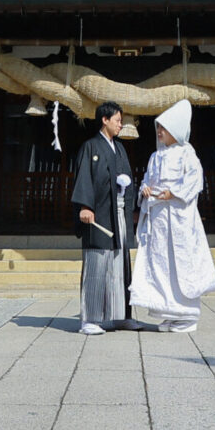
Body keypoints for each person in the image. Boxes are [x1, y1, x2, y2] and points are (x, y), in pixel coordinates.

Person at [132, 98, 215, 332]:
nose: (159, 132)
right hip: (159, 216)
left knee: (181, 261)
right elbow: (147, 181)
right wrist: (145, 190)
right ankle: (169, 311)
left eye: (164, 128)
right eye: (158, 127)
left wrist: (174, 193)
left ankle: (187, 313)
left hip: (179, 216)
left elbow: (195, 179)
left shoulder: (186, 152)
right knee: (161, 262)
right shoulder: (154, 156)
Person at [70, 100, 137, 335]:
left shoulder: (118, 148)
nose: (121, 125)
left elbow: (128, 178)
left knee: (120, 265)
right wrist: (85, 206)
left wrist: (128, 191)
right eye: (117, 120)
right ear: (104, 120)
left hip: (118, 213)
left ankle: (121, 316)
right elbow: (84, 178)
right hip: (98, 215)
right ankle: (90, 318)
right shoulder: (90, 147)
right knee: (97, 264)